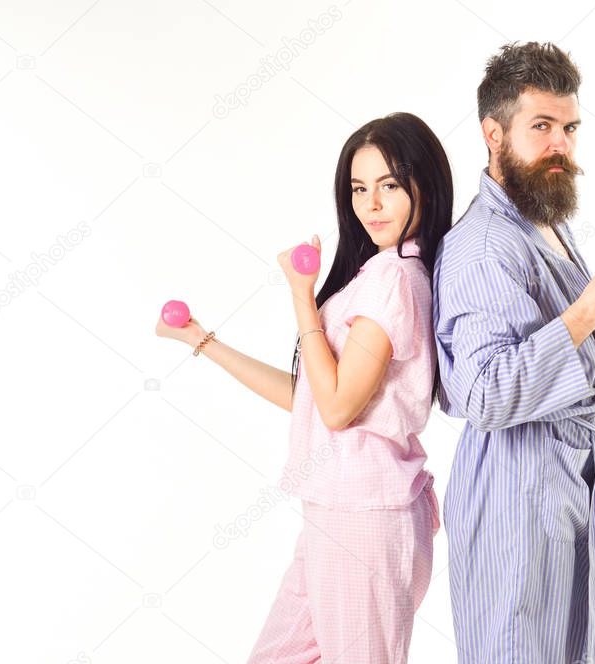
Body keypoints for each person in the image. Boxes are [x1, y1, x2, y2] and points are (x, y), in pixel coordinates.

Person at [155, 112, 454, 664]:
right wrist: (203, 342)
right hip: (338, 508)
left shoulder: (395, 278)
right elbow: (313, 397)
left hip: (364, 516)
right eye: (359, 189)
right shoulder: (381, 273)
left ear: (424, 184)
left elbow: (338, 409)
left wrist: (300, 295)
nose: (372, 204)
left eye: (389, 185)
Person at [432, 42, 595, 663]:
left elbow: (588, 367)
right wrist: (589, 312)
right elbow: (484, 393)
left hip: (570, 493)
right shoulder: (483, 247)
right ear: (492, 132)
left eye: (569, 128)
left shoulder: (544, 221)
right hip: (517, 502)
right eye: (541, 126)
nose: (561, 144)